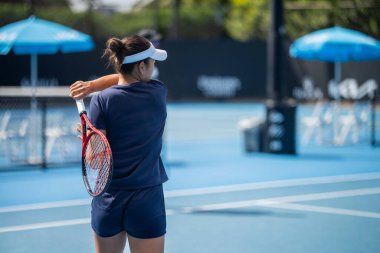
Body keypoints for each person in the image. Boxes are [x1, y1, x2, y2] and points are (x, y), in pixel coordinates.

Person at [70, 35, 168, 253]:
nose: (153, 68)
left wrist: (89, 138)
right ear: (142, 66)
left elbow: (94, 162)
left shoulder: (101, 101)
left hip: (108, 201)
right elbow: (122, 79)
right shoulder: (157, 92)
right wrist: (93, 86)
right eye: (152, 63)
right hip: (147, 201)